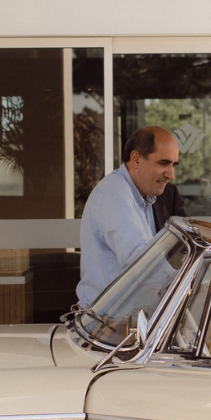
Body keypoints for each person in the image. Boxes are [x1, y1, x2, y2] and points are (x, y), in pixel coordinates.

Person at [77, 126, 179, 307]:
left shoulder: (142, 196)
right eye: (163, 163)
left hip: (121, 318)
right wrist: (188, 283)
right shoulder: (115, 192)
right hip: (107, 320)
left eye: (174, 165)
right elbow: (140, 260)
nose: (171, 174)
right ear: (136, 159)